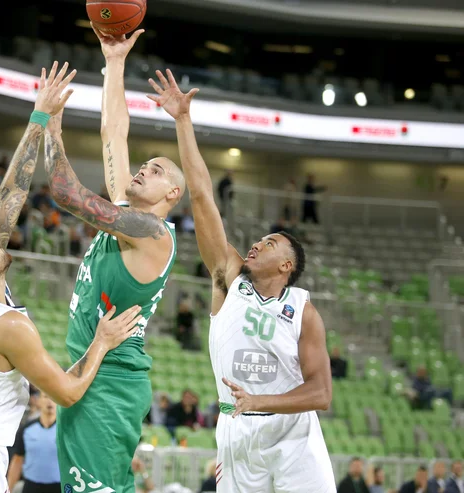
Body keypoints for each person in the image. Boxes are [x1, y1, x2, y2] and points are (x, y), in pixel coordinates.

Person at [0, 62, 142, 493]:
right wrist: (102, 342)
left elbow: (11, 194)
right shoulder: (10, 327)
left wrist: (40, 117)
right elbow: (68, 392)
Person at [148, 68, 335, 492]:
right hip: (238, 431)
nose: (257, 243)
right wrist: (182, 120)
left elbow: (321, 393)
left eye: (271, 243)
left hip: (294, 435)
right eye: (260, 238)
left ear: (287, 266)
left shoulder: (304, 312)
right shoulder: (229, 280)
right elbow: (200, 197)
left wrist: (261, 401)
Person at [46, 30, 185, 493]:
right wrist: (114, 61)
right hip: (91, 371)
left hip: (110, 382)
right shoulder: (129, 216)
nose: (143, 168)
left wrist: (50, 128)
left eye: (158, 169)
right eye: (144, 164)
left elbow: (68, 194)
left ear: (172, 194)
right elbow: (114, 131)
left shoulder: (151, 233)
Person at [7, 392, 60, 493]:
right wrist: (9, 487)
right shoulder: (27, 429)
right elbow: (17, 460)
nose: (49, 401)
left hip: (59, 486)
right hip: (32, 486)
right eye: (46, 397)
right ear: (39, 401)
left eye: (53, 397)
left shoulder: (65, 431)